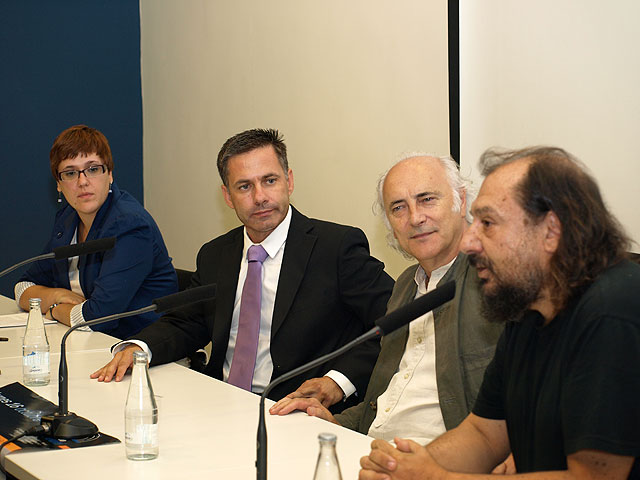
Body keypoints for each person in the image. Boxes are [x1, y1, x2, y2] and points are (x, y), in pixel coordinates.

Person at [359, 146, 640, 479]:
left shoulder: (613, 309)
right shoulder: (529, 308)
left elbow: (595, 477)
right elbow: (483, 435)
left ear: (550, 231)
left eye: (488, 223)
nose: (469, 241)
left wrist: (436, 477)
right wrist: (398, 468)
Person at [91, 128, 394, 407]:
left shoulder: (336, 247)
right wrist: (139, 347)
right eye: (244, 186)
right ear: (227, 196)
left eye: (270, 181)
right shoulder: (215, 254)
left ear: (289, 181)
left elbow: (395, 322)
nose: (260, 197)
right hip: (217, 401)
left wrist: (338, 381)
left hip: (293, 409)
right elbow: (187, 323)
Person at [270, 154, 503, 446]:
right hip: (373, 450)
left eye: (427, 199)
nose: (415, 218)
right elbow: (386, 402)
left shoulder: (496, 278)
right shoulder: (405, 285)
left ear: (461, 201)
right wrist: (335, 422)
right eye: (399, 208)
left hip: (442, 460)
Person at [15, 125, 178, 339]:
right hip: (92, 344)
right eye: (70, 173)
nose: (82, 182)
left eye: (93, 169)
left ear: (109, 174)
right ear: (58, 184)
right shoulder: (67, 219)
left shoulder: (130, 224)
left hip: (143, 351)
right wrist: (57, 295)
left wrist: (53, 309)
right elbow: (23, 288)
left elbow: (99, 317)